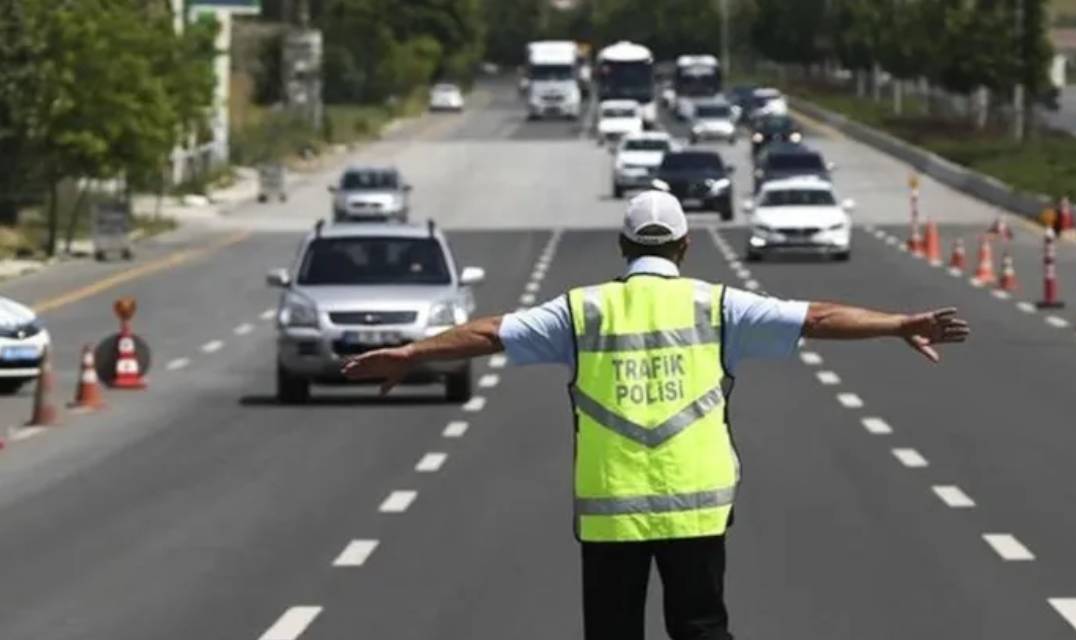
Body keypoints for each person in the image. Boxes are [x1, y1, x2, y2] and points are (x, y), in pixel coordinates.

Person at [342, 190, 970, 640]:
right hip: (696, 507)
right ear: (685, 246)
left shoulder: (581, 311)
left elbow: (489, 333)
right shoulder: (718, 306)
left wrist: (412, 353)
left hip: (611, 511)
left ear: (622, 246)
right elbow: (818, 318)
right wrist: (898, 324)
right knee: (702, 628)